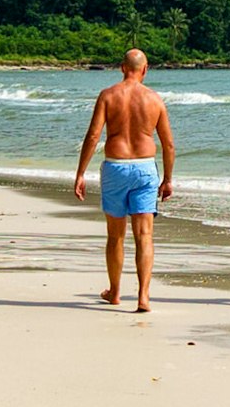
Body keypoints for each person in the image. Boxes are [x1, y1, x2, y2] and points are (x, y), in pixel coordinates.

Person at [70, 49, 174, 310]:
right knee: (145, 235)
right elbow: (168, 145)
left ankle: (115, 292)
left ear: (122, 68)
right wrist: (168, 179)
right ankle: (143, 296)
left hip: (116, 168)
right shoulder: (154, 99)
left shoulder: (108, 96)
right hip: (145, 169)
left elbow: (93, 136)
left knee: (115, 236)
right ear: (145, 69)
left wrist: (81, 172)